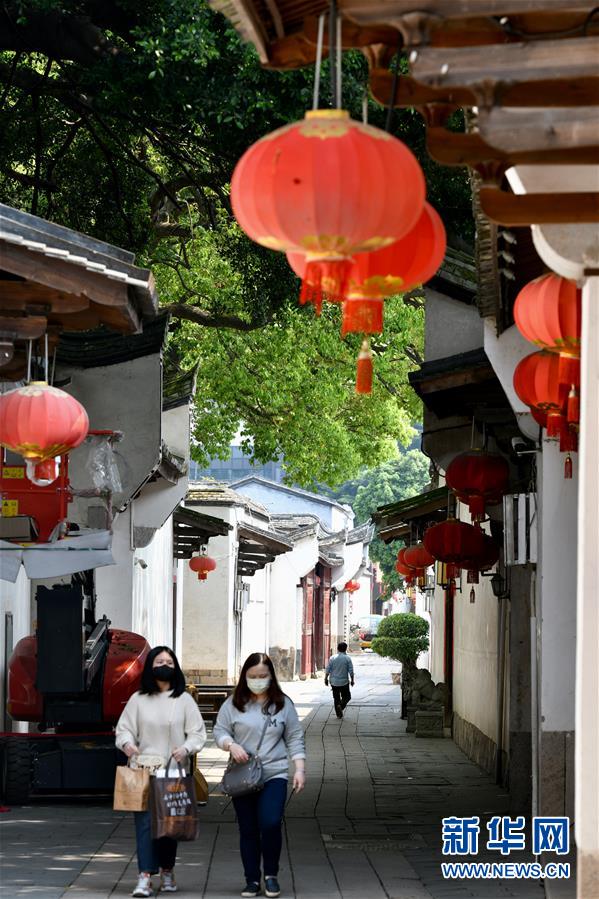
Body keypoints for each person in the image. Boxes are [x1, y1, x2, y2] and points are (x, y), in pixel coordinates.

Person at [115, 646, 207, 898]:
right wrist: (127, 744)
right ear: (150, 666)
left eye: (169, 662)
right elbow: (123, 729)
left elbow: (198, 733)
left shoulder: (184, 700)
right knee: (144, 825)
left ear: (175, 667)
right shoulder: (138, 699)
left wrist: (186, 748)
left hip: (172, 772)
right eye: (159, 661)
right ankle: (144, 876)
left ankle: (167, 870)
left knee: (170, 825)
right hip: (142, 772)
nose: (164, 665)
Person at [213, 652, 306, 899]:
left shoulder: (283, 704)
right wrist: (230, 745)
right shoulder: (233, 704)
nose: (257, 680)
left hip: (275, 773)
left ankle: (271, 875)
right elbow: (219, 731)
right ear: (245, 676)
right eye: (252, 676)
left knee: (271, 822)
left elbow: (295, 737)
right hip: (243, 775)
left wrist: (299, 769)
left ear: (271, 676)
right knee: (248, 828)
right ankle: (252, 879)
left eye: (262, 676)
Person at [324, 642, 354, 718]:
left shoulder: (332, 658)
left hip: (334, 682)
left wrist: (326, 678)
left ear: (337, 649)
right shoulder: (347, 658)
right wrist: (352, 680)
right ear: (346, 649)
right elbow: (351, 670)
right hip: (344, 682)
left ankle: (338, 714)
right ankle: (341, 706)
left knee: (336, 698)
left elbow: (328, 669)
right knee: (347, 697)